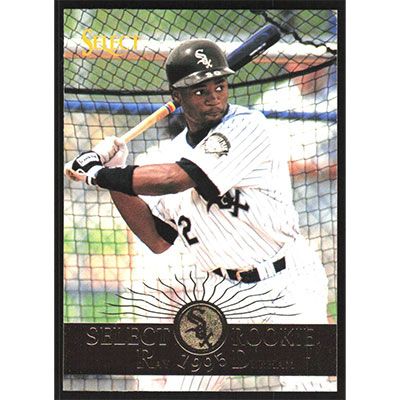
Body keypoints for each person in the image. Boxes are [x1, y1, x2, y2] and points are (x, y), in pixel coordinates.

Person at [66, 39, 333, 392]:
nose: (213, 97)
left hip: (287, 281)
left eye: (219, 85)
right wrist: (115, 174)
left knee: (308, 388)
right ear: (177, 96)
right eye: (200, 90)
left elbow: (177, 178)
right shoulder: (171, 153)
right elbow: (157, 238)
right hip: (221, 290)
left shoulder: (247, 126)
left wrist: (99, 175)